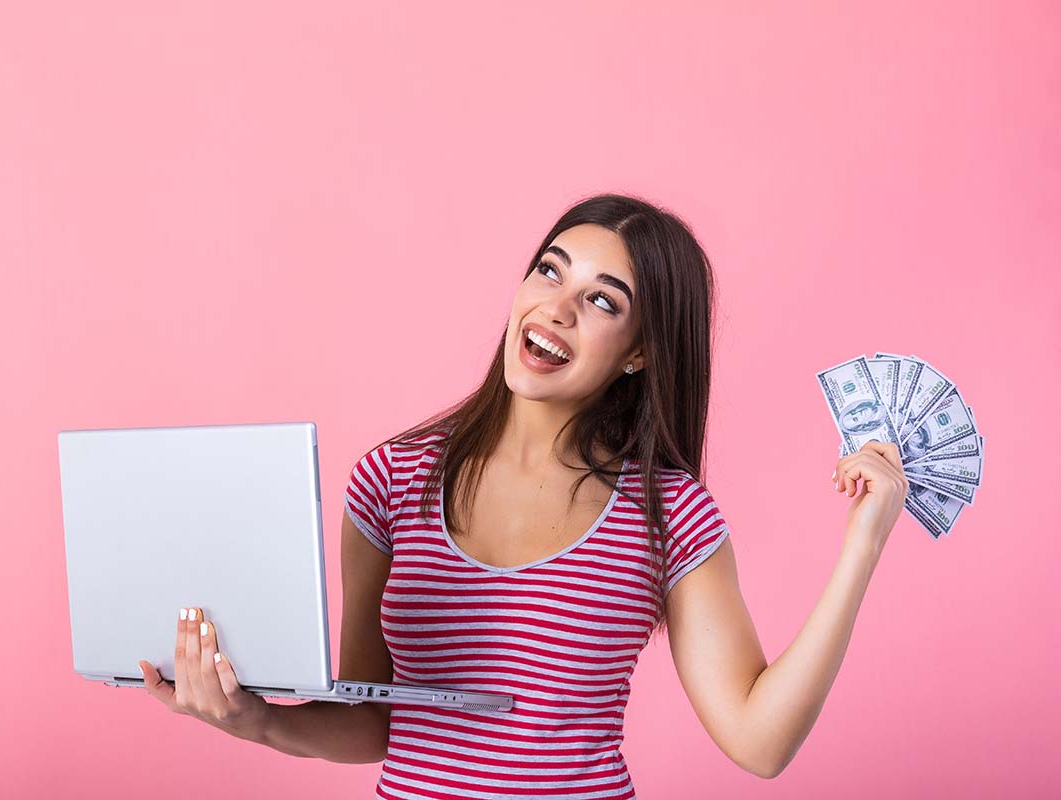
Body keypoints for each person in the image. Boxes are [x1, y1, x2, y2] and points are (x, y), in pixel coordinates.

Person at [139, 192, 910, 796]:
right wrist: (255, 721)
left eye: (603, 301)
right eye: (550, 270)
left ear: (640, 353)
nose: (558, 307)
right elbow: (375, 719)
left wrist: (863, 545)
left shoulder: (666, 514)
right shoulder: (390, 482)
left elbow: (759, 741)